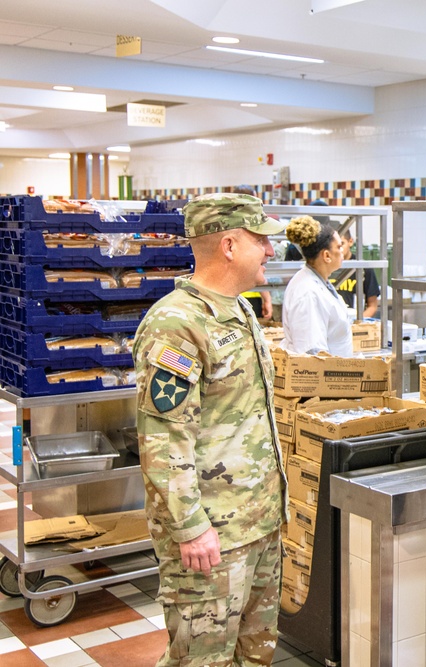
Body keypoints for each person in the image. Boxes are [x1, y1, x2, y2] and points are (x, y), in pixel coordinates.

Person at [134, 192, 288, 666]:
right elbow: (163, 439)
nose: (270, 249)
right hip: (212, 536)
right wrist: (190, 528)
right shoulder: (175, 324)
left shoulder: (238, 310)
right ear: (228, 245)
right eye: (260, 239)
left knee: (255, 653)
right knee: (201, 659)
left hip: (258, 522)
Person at [281, 215, 353, 357]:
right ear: (326, 255)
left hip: (337, 372)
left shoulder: (318, 282)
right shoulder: (307, 291)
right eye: (339, 247)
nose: (342, 251)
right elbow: (312, 353)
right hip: (324, 375)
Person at [233, 185, 273, 319]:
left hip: (248, 295)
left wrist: (266, 297)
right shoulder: (238, 229)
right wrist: (266, 298)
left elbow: (258, 266)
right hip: (238, 296)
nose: (270, 252)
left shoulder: (252, 225)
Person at [336, 228, 380, 318]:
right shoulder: (326, 268)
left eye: (342, 244)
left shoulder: (364, 269)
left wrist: (356, 323)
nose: (339, 250)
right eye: (335, 246)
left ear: (350, 242)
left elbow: (372, 306)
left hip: (354, 322)